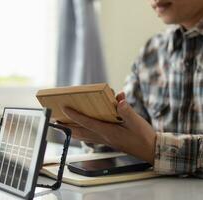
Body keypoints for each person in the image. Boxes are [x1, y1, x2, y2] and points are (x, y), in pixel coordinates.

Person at [61, 0, 203, 176]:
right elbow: (126, 132)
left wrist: (155, 149)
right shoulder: (152, 52)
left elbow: (146, 144)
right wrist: (97, 129)